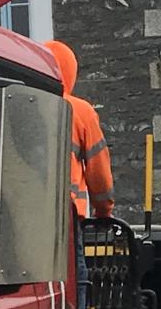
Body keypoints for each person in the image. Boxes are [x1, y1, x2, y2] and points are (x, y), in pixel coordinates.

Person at [45, 40, 114, 223]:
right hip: (69, 217)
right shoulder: (81, 111)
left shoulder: (24, 105)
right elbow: (99, 172)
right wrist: (103, 212)